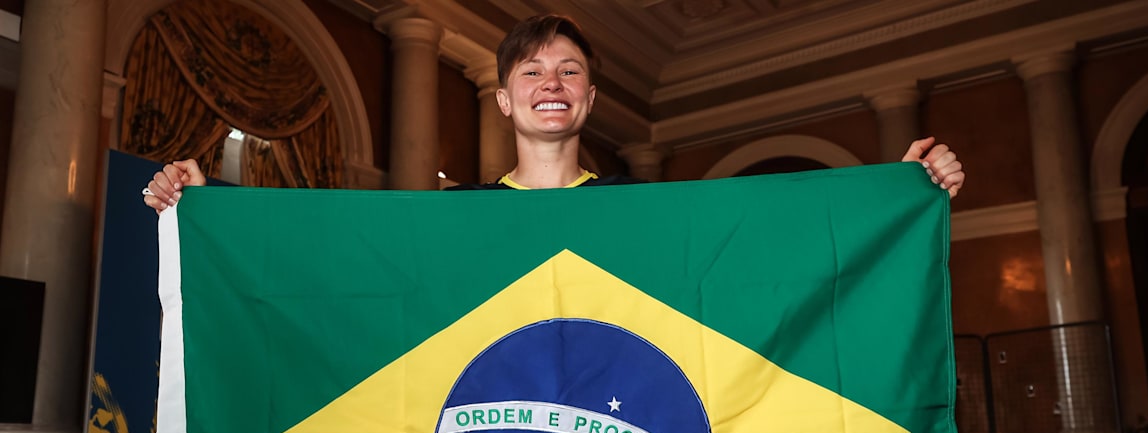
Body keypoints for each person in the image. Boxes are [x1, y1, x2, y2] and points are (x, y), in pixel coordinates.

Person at [143, 15, 963, 209]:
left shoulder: (636, 207)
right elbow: (334, 261)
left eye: (570, 69)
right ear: (505, 98)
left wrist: (898, 192)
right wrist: (209, 206)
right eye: (532, 69)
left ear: (590, 98)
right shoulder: (455, 213)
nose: (552, 80)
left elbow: (768, 236)